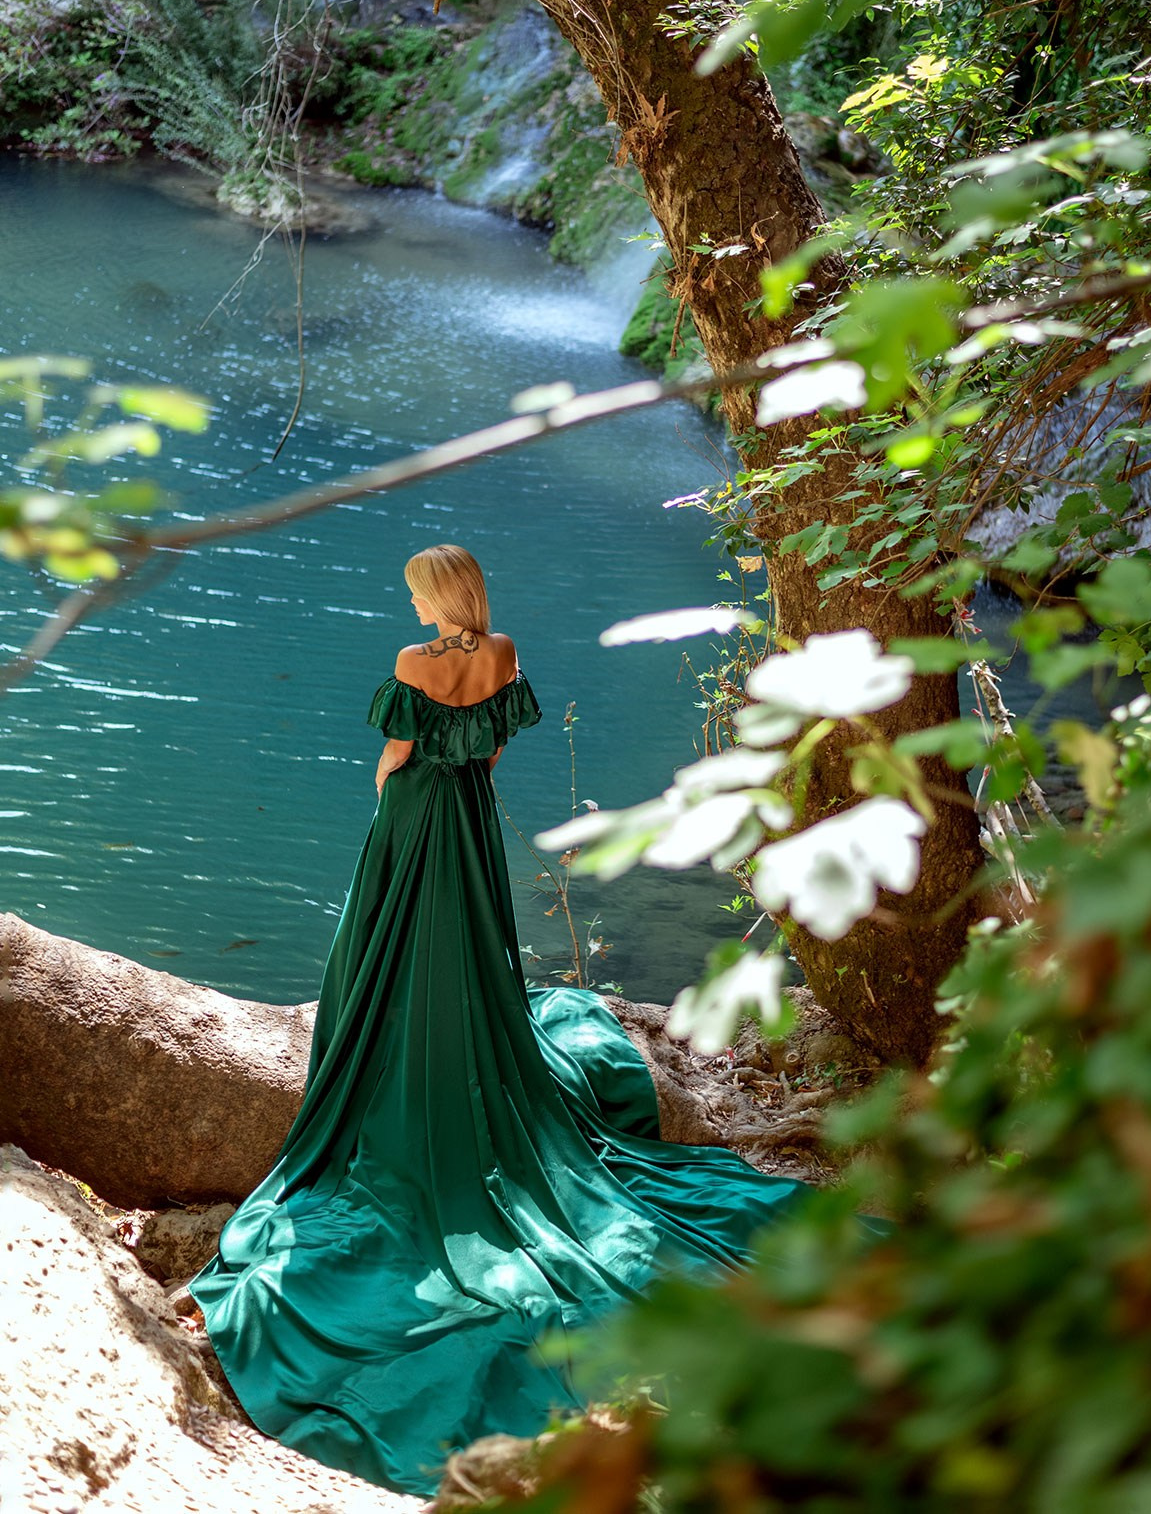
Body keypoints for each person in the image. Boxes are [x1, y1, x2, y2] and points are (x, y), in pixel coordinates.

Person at [190, 544, 813, 1495]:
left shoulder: (412, 663)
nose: (406, 602)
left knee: (387, 941)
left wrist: (390, 779)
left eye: (412, 590)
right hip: (472, 817)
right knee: (472, 946)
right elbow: (484, 748)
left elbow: (398, 755)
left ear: (434, 598)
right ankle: (463, 1031)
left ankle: (393, 1040)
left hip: (415, 818)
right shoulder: (506, 650)